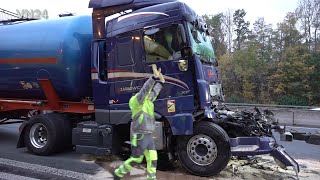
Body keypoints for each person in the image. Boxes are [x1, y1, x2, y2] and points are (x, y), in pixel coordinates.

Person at [113, 64, 165, 180]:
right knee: (137, 159)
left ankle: (151, 178)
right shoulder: (136, 101)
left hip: (149, 134)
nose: (147, 95)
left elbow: (154, 93)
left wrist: (161, 82)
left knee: (152, 157)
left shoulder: (148, 101)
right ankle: (118, 173)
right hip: (140, 135)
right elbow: (145, 90)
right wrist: (153, 78)